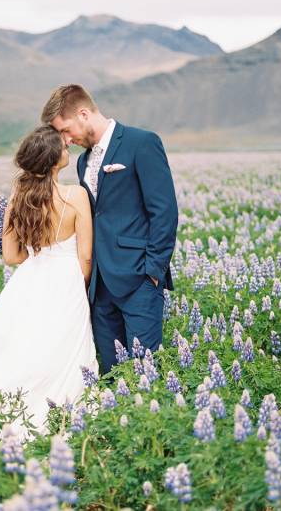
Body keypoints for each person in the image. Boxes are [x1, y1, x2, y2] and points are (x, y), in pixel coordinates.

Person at [0, 125, 98, 440]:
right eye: (63, 147)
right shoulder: (76, 195)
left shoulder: (18, 198)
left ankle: (0, 414)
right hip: (67, 280)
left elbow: (11, 256)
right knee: (61, 351)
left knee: (18, 346)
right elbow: (85, 256)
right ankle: (60, 421)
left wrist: (38, 257)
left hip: (29, 280)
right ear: (51, 160)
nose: (68, 150)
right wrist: (79, 286)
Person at [42, 84, 178, 377]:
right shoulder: (82, 161)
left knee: (146, 372)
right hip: (99, 286)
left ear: (83, 113)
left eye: (65, 130)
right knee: (111, 372)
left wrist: (153, 271)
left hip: (139, 279)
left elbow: (164, 212)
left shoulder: (141, 143)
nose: (65, 140)